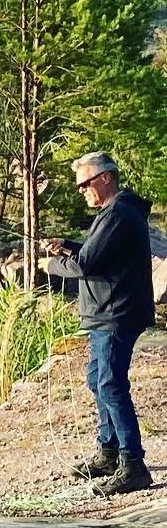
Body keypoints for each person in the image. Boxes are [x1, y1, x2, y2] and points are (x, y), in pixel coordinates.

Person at [45, 151, 156, 496]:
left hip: (115, 314)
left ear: (105, 178)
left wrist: (49, 265)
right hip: (106, 313)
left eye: (85, 184)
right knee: (98, 379)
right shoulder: (115, 213)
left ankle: (133, 465)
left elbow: (85, 266)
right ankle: (108, 453)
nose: (82, 191)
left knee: (110, 384)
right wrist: (68, 246)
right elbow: (98, 252)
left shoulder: (119, 213)